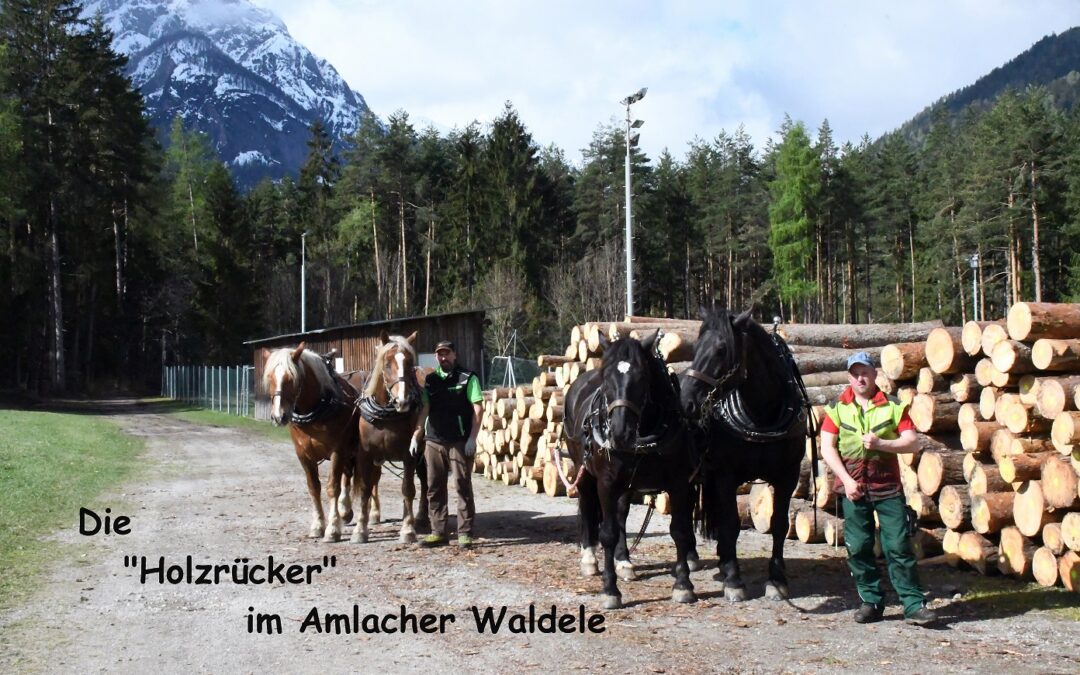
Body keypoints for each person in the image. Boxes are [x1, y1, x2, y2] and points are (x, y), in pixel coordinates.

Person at [819, 351, 939, 626]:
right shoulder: (837, 408)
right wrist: (846, 481)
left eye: (865, 372)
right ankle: (871, 601)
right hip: (854, 488)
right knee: (859, 546)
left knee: (897, 545)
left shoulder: (893, 406)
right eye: (855, 373)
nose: (860, 378)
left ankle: (912, 604)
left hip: (887, 486)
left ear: (875, 375)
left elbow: (911, 442)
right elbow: (827, 447)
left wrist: (882, 444)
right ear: (849, 377)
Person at [411, 340, 483, 548]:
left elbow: (478, 410)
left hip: (459, 442)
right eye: (439, 354)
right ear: (436, 357)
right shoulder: (431, 381)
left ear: (454, 355)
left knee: (462, 485)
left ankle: (465, 533)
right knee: (434, 487)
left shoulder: (468, 378)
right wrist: (417, 434)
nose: (443, 358)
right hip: (433, 441)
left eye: (447, 353)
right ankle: (438, 532)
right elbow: (424, 409)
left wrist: (472, 438)